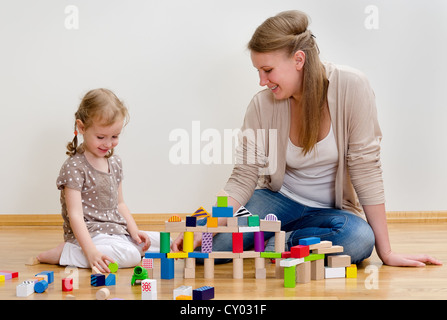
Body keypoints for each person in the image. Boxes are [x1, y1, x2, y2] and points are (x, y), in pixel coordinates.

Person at [172, 10, 442, 267]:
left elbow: (366, 169)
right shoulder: (262, 105)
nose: (261, 81)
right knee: (207, 249)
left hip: (330, 212)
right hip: (277, 200)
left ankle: (276, 242)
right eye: (258, 71)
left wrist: (388, 252)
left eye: (267, 70)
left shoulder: (352, 87)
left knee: (358, 240)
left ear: (298, 60)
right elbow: (243, 177)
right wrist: (204, 225)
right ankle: (277, 241)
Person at [35, 88, 162, 272]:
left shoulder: (115, 162)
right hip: (91, 235)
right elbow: (75, 215)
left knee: (163, 242)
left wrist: (134, 231)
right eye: (101, 137)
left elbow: (120, 204)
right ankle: (68, 252)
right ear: (81, 128)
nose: (108, 143)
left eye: (115, 136)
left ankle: (119, 246)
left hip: (115, 231)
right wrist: (91, 251)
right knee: (133, 255)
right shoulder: (74, 167)